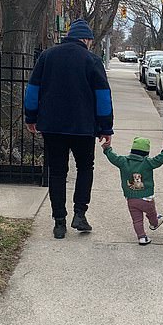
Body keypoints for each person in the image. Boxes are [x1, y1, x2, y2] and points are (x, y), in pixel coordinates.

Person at [24, 19, 113, 239]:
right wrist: (105, 127)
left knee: (57, 172)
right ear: (87, 40)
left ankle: (59, 221)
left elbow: (32, 89)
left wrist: (31, 116)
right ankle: (80, 214)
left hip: (52, 126)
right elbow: (103, 97)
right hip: (83, 127)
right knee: (85, 168)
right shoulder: (92, 60)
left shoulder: (47, 56)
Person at [102, 136, 163, 245]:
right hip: (146, 198)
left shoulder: (123, 161)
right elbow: (159, 160)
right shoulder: (148, 163)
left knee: (137, 220)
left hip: (131, 199)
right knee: (152, 214)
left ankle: (142, 238)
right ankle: (154, 223)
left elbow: (113, 157)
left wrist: (107, 149)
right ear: (146, 153)